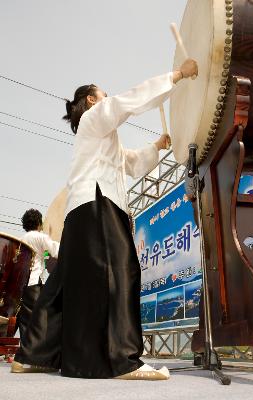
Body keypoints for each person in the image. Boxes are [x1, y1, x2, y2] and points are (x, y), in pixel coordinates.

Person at [11, 59, 198, 379]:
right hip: (98, 204)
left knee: (62, 284)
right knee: (121, 272)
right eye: (104, 94)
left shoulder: (98, 139)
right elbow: (128, 101)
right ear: (92, 101)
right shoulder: (95, 117)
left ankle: (32, 355)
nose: (108, 98)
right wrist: (176, 76)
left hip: (80, 210)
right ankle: (122, 360)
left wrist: (155, 146)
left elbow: (130, 163)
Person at [16, 209, 60, 341]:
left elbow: (43, 255)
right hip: (34, 284)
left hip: (22, 285)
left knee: (25, 321)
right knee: (39, 321)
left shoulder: (22, 239)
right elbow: (56, 251)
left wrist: (46, 256)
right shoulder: (41, 237)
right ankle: (35, 356)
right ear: (39, 222)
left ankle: (23, 356)